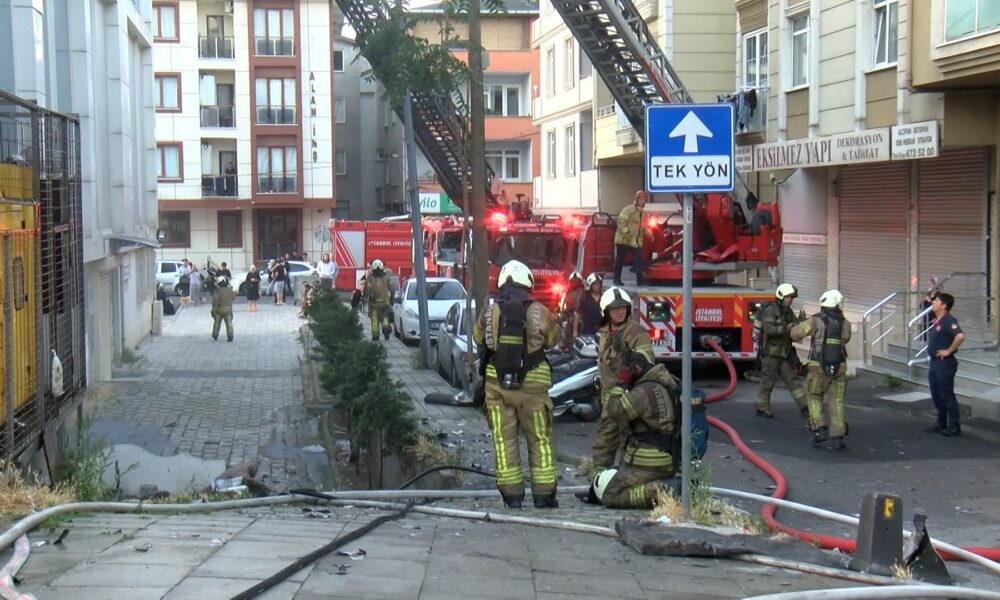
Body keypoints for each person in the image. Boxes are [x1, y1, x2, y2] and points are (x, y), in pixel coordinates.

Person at [473, 260, 561, 509]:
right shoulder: (540, 311)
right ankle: (544, 495)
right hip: (533, 384)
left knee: (504, 440)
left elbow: (477, 338)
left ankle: (512, 497)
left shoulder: (489, 311)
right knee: (539, 438)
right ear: (527, 283)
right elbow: (553, 339)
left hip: (497, 384)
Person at [588, 350, 683, 508]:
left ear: (636, 370)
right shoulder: (665, 382)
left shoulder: (643, 392)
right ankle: (664, 485)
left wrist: (620, 384)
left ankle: (664, 490)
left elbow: (615, 411)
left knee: (611, 495)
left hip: (647, 461)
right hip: (666, 457)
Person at [789, 290, 852, 449]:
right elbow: (846, 338)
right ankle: (837, 437)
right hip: (840, 366)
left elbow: (795, 334)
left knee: (813, 396)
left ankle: (818, 429)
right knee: (836, 401)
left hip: (818, 367)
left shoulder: (815, 320)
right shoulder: (845, 322)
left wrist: (793, 325)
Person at [754, 283, 809, 421]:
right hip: (771, 355)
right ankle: (762, 408)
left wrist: (801, 322)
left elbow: (794, 327)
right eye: (788, 297)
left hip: (784, 354)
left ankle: (805, 407)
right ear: (781, 297)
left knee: (793, 381)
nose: (790, 300)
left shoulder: (787, 311)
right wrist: (786, 328)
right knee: (767, 382)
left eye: (791, 297)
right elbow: (769, 330)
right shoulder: (770, 311)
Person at [595, 287, 653, 408]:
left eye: (623, 307)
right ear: (606, 311)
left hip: (626, 399)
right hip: (606, 399)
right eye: (615, 308)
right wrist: (599, 379)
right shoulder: (604, 333)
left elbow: (647, 361)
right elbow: (602, 361)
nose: (620, 312)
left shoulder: (636, 331)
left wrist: (631, 363)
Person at [925, 292, 965, 436]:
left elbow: (960, 336)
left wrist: (949, 350)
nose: (933, 302)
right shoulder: (938, 319)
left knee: (946, 395)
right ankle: (941, 422)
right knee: (936, 394)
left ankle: (954, 425)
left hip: (944, 364)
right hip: (935, 362)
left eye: (936, 301)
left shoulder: (948, 320)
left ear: (943, 305)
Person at [613, 190, 647, 286]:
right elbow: (621, 222)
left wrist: (649, 233)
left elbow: (642, 227)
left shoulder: (642, 213)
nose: (643, 201)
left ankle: (640, 280)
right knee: (620, 260)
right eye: (641, 199)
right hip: (622, 240)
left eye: (644, 199)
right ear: (636, 200)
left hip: (633, 241)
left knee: (638, 258)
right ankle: (616, 279)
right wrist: (627, 234)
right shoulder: (628, 210)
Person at [365, 259, 395, 341]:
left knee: (375, 319)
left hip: (374, 303)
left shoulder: (370, 277)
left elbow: (367, 289)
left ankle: (375, 336)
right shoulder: (387, 277)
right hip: (385, 303)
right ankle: (386, 331)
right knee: (385, 318)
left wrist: (365, 299)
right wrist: (392, 299)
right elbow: (392, 289)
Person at [557, 272, 584, 348]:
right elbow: (562, 303)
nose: (575, 282)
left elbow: (579, 306)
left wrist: (574, 315)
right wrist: (560, 313)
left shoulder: (583, 292)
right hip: (566, 313)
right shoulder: (566, 290)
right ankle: (562, 343)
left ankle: (570, 344)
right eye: (573, 281)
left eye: (577, 281)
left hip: (577, 315)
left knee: (570, 324)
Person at [574, 273, 604, 339]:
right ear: (590, 285)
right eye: (595, 284)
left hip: (601, 330)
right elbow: (577, 315)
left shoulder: (605, 297)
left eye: (599, 284)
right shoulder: (584, 298)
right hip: (587, 330)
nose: (597, 286)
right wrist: (575, 331)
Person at [210, 275, 235, 342]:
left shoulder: (218, 290)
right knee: (229, 324)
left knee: (217, 323)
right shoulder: (229, 290)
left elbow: (215, 301)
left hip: (219, 310)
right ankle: (230, 336)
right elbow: (233, 297)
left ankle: (215, 335)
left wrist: (213, 311)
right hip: (228, 310)